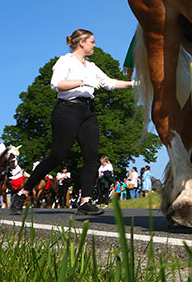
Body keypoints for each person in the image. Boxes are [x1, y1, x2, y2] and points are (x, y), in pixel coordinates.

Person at [9, 29, 135, 217]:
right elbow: (56, 84)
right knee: (58, 155)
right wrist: (82, 81)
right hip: (67, 109)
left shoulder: (91, 67)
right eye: (92, 41)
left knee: (91, 156)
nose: (95, 45)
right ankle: (23, 192)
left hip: (88, 111)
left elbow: (109, 83)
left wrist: (137, 83)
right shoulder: (65, 61)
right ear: (81, 42)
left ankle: (85, 201)